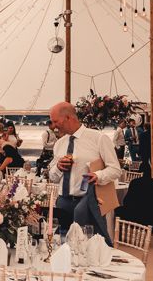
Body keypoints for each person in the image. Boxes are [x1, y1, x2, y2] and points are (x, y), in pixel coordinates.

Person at [48, 102, 121, 245]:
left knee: (87, 247)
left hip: (87, 203)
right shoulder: (59, 144)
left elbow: (115, 169)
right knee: (63, 246)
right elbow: (53, 177)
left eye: (56, 121)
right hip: (63, 203)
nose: (54, 125)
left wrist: (98, 176)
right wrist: (58, 167)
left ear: (68, 118)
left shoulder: (98, 138)